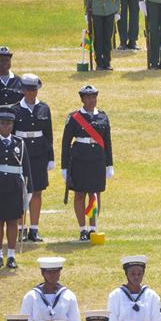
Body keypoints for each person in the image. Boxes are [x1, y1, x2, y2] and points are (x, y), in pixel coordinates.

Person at [61, 85, 113, 241]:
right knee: (79, 194)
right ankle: (82, 229)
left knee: (95, 195)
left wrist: (109, 164)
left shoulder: (103, 116)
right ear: (82, 99)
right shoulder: (74, 117)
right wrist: (64, 167)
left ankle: (93, 227)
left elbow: (107, 142)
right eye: (88, 97)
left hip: (97, 160)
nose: (91, 100)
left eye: (93, 97)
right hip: (79, 160)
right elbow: (65, 143)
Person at [12, 76, 53, 244]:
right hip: (20, 153)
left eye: (34, 89)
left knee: (37, 191)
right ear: (22, 90)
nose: (31, 92)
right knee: (21, 192)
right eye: (28, 89)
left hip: (39, 154)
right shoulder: (15, 110)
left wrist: (51, 158)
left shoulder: (44, 108)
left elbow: (48, 135)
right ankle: (21, 229)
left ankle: (34, 229)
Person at [0, 109, 29, 266]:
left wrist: (28, 191)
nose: (6, 127)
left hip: (14, 187)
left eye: (9, 124)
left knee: (12, 222)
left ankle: (11, 255)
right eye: (3, 124)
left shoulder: (20, 143)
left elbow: (26, 168)